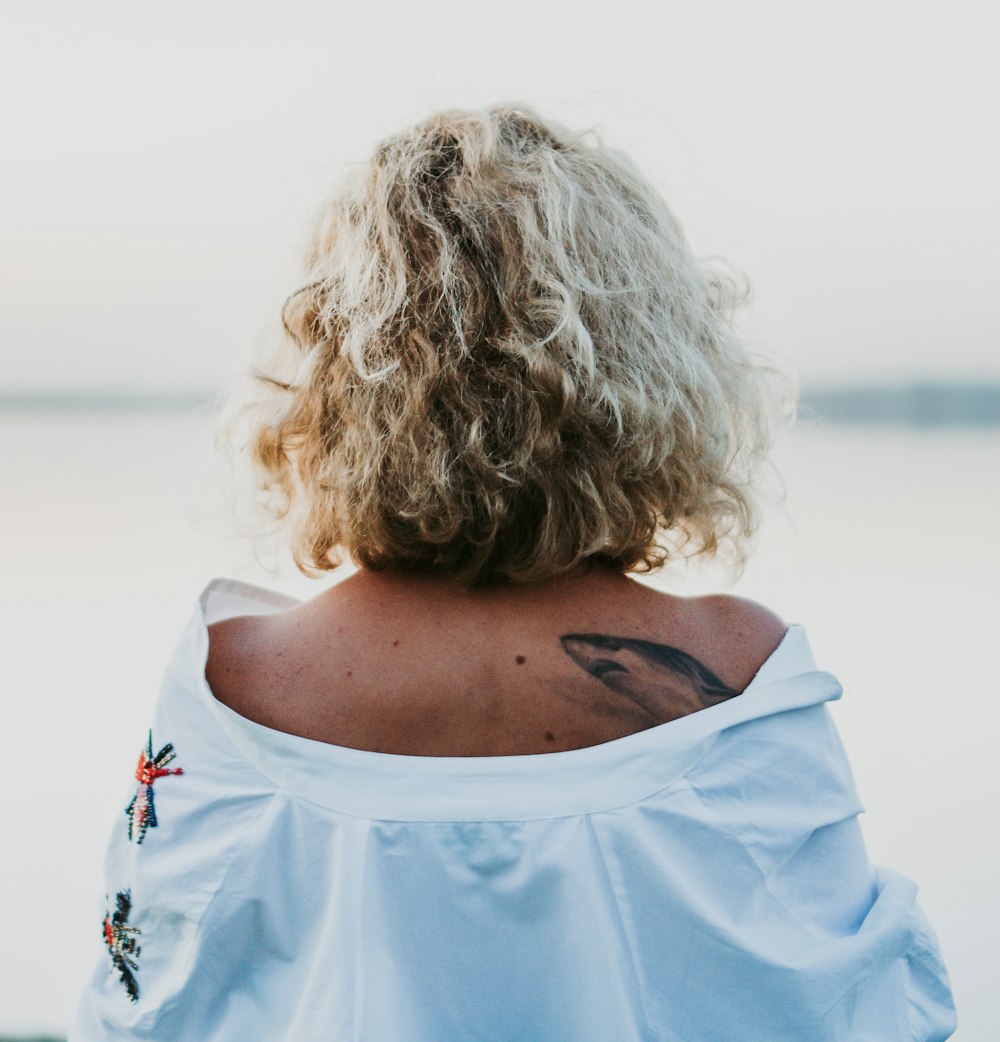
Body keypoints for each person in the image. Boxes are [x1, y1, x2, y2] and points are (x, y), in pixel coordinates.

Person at [71, 104, 956, 1041]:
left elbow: (141, 1011)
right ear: (651, 358)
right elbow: (853, 1013)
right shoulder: (741, 669)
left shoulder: (234, 685)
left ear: (341, 367)